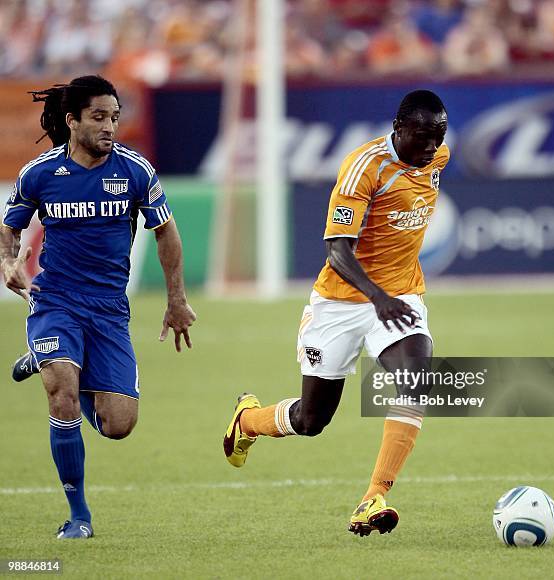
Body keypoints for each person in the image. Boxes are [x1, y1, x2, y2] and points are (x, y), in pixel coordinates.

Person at [223, 89, 449, 537]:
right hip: (341, 302)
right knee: (312, 420)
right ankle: (246, 421)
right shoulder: (363, 168)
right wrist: (376, 296)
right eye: (421, 138)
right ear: (397, 128)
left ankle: (373, 497)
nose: (430, 149)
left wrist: (391, 297)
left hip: (402, 295)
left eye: (437, 138)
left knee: (417, 380)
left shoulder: (436, 158)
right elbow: (336, 249)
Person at [0, 75, 196, 539]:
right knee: (62, 393)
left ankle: (46, 359)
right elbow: (9, 228)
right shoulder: (40, 174)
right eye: (99, 117)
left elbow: (165, 231)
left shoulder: (135, 171)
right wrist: (8, 263)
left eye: (114, 117)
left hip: (109, 309)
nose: (110, 127)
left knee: (118, 425)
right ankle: (78, 516)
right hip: (55, 301)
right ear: (72, 121)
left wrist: (177, 300)